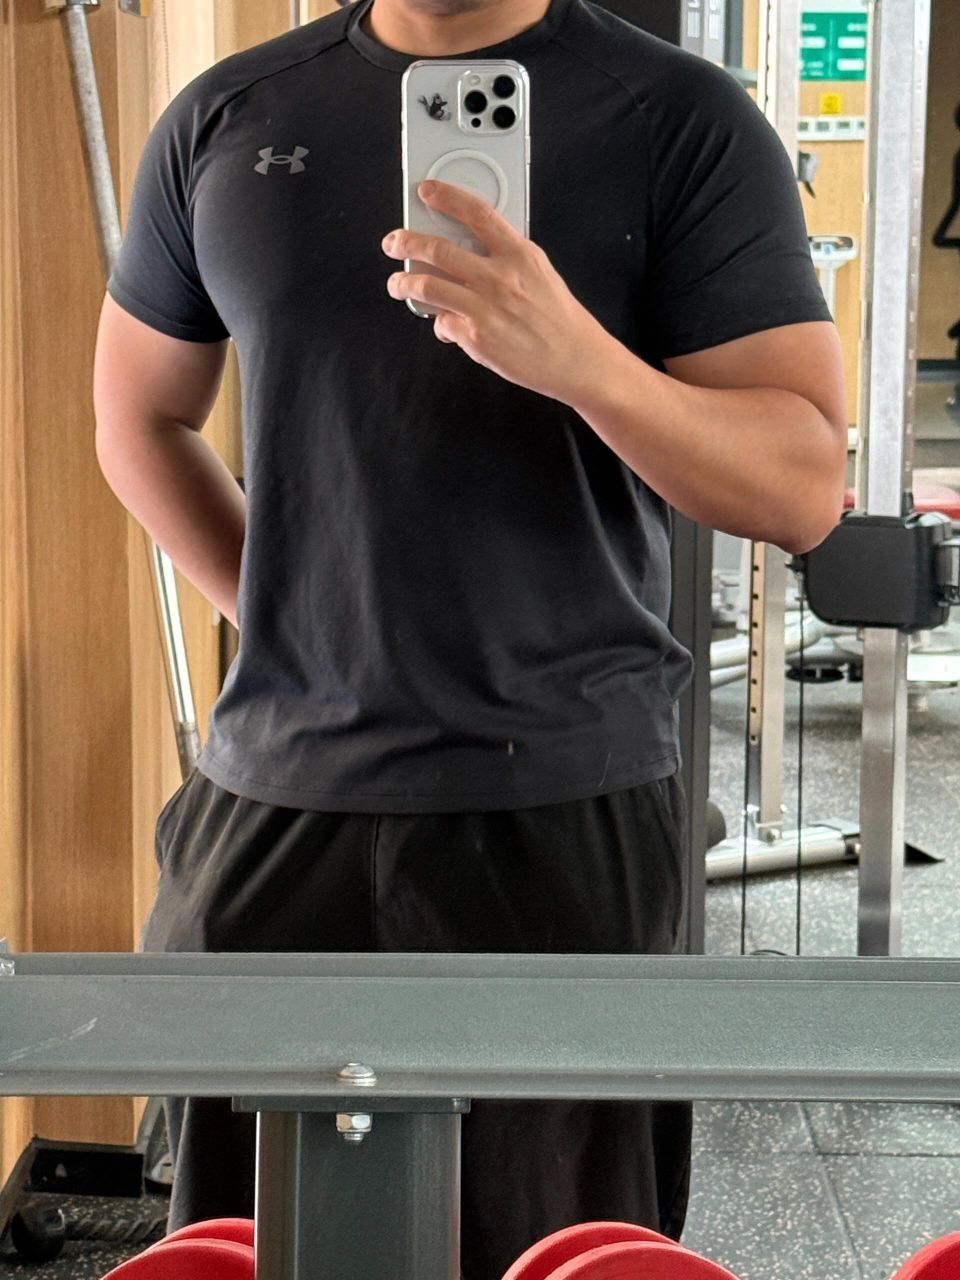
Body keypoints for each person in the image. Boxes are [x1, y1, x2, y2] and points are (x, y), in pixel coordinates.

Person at [92, 0, 847, 1275]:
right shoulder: (229, 116)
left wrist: (580, 360)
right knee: (255, 1243)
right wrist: (287, 613)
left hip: (563, 802)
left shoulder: (682, 119)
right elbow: (137, 418)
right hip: (277, 800)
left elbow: (803, 484)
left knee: (558, 1247)